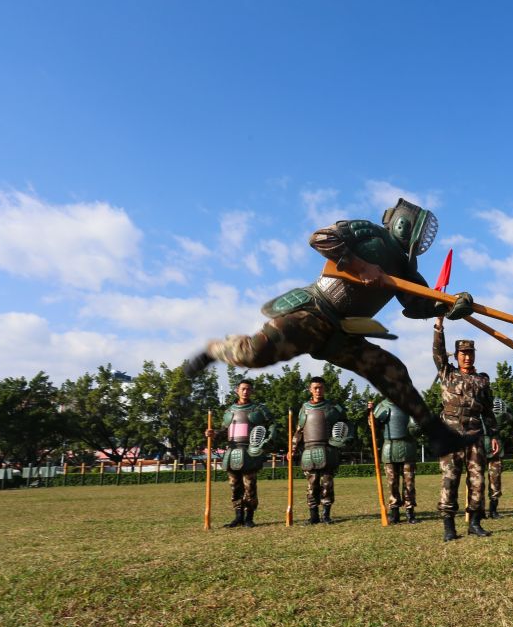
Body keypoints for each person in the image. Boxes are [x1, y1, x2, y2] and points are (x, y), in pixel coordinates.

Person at [183, 198, 475, 458]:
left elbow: (418, 306)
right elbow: (321, 238)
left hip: (343, 332)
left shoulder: (405, 269)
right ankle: (216, 350)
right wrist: (361, 266)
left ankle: (438, 435)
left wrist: (450, 306)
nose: (421, 238)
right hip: (314, 311)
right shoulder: (369, 232)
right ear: (403, 222)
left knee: (391, 370)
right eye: (419, 230)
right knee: (253, 354)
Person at [434, 321, 498, 542]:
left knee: (478, 480)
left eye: (470, 353)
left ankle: (474, 522)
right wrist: (438, 327)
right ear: (456, 355)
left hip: (474, 434)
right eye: (463, 353)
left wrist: (494, 434)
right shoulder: (447, 373)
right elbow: (438, 352)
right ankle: (449, 525)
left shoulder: (482, 380)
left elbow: (488, 411)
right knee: (450, 479)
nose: (467, 357)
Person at [206, 379, 273, 528]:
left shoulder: (259, 410)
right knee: (235, 486)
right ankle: (238, 516)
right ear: (237, 390)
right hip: (232, 451)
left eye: (248, 389)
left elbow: (272, 425)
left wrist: (266, 442)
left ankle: (249, 517)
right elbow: (224, 431)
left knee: (249, 486)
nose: (245, 391)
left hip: (250, 451)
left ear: (252, 391)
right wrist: (213, 433)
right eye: (243, 389)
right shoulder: (229, 411)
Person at [291, 377, 350, 525]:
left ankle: (326, 515)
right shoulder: (304, 408)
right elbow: (299, 431)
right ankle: (313, 516)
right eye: (315, 387)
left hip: (328, 450)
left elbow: (347, 425)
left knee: (327, 485)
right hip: (309, 451)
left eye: (321, 387)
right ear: (310, 389)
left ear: (324, 389)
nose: (318, 390)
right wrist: (292, 448)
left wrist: (344, 440)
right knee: (311, 486)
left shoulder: (333, 408)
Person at [371, 397, 419, 525]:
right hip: (389, 448)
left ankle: (410, 512)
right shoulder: (381, 406)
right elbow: (373, 426)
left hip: (407, 447)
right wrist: (370, 414)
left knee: (409, 483)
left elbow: (417, 429)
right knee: (392, 482)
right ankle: (395, 512)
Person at [482, 383, 506, 519]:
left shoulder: (497, 404)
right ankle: (478, 510)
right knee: (477, 480)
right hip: (478, 444)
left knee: (495, 479)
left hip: (495, 446)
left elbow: (510, 418)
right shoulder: (473, 403)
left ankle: (493, 509)